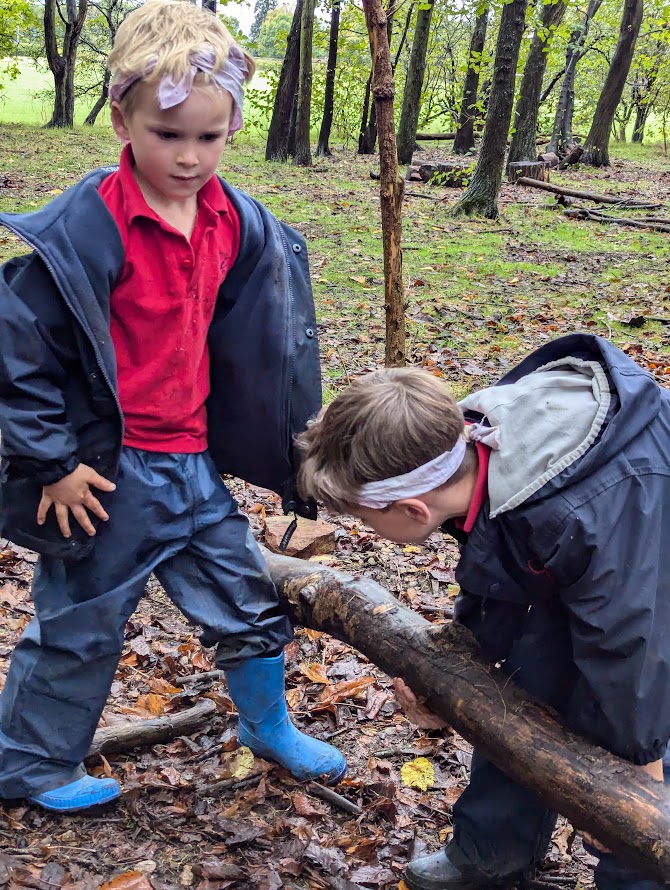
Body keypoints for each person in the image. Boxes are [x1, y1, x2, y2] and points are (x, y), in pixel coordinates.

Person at [0, 0, 345, 814]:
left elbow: (266, 340)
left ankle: (266, 724)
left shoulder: (237, 220)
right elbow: (19, 354)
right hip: (109, 473)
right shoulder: (88, 228)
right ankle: (31, 766)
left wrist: (285, 451)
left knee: (246, 597)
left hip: (192, 463)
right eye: (168, 136)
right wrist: (54, 462)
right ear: (121, 118)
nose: (190, 157)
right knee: (79, 624)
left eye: (210, 136)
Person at [297, 333, 670, 890]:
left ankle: (640, 872)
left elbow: (635, 647)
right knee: (521, 681)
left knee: (641, 749)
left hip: (647, 577)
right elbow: (501, 565)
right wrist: (458, 665)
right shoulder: (468, 458)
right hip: (599, 567)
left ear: (410, 508)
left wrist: (641, 782)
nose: (363, 530)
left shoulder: (579, 512)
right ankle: (491, 850)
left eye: (364, 518)